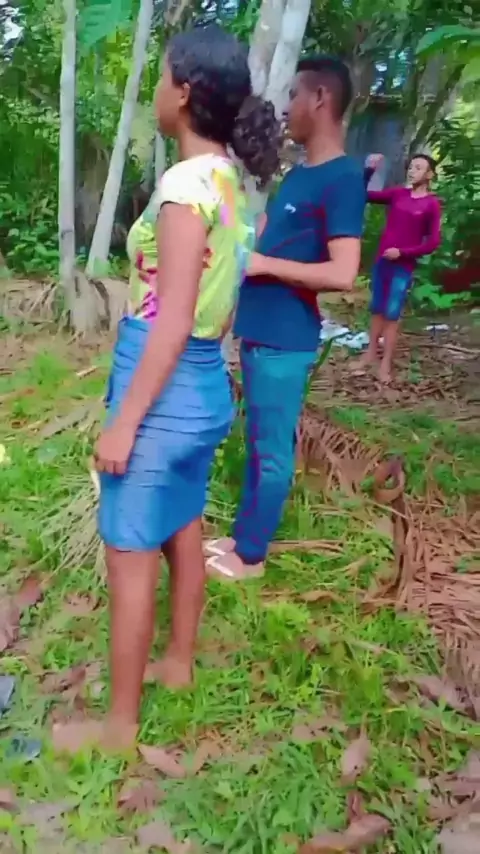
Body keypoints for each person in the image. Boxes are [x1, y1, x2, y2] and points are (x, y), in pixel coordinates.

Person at [53, 24, 280, 753]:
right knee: (183, 520)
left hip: (163, 383)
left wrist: (125, 422)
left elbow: (172, 319)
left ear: (183, 93)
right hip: (206, 383)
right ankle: (177, 663)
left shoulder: (185, 187)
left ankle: (118, 728)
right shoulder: (232, 184)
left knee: (128, 550)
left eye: (160, 77)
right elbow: (214, 307)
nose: (154, 90)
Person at [204, 56, 367, 582]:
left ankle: (251, 556)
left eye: (295, 95)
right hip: (258, 330)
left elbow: (343, 272)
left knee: (273, 451)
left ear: (320, 99)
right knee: (257, 443)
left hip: (286, 338)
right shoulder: (298, 176)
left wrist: (263, 265)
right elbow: (266, 239)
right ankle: (241, 537)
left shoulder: (343, 178)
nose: (287, 108)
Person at [352, 153, 441, 383]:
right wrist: (368, 171)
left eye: (418, 168)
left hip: (402, 267)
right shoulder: (398, 194)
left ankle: (386, 364)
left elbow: (432, 242)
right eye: (411, 167)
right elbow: (363, 196)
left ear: (429, 174)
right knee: (377, 309)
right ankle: (370, 353)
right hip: (382, 261)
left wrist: (403, 253)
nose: (412, 171)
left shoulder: (431, 204)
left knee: (392, 314)